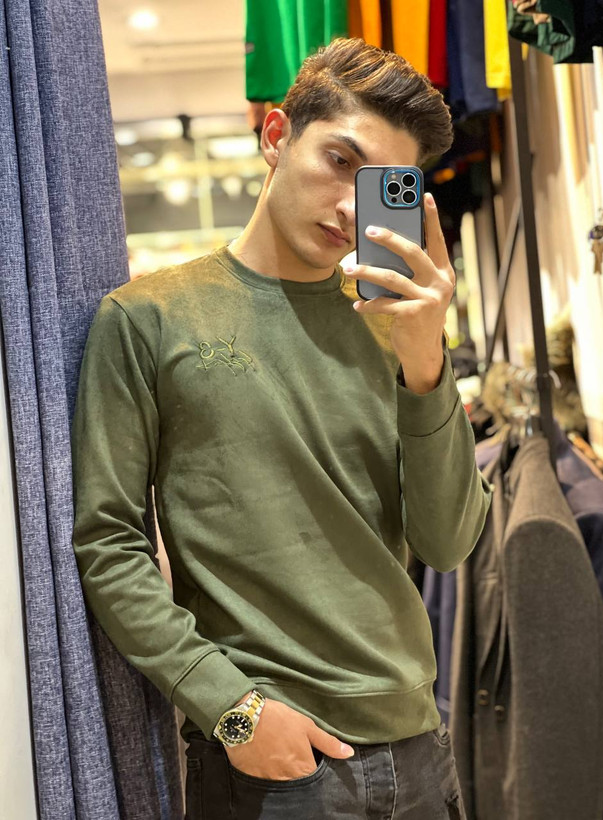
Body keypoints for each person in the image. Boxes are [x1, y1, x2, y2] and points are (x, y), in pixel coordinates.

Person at [72, 37, 492, 820]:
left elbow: (446, 543)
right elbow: (109, 543)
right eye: (339, 161)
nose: (349, 208)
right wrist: (231, 710)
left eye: (380, 187)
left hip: (419, 749)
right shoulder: (148, 318)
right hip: (275, 770)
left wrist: (426, 363)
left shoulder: (397, 329)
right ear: (275, 136)